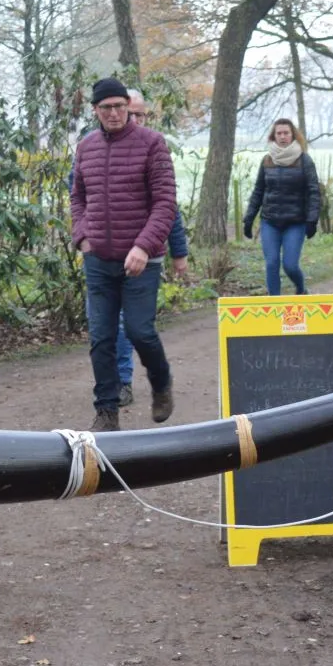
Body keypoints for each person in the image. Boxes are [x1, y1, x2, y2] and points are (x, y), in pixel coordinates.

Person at [71, 77, 177, 432]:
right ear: (95, 110)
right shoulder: (86, 147)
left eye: (119, 106)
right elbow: (78, 197)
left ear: (128, 107)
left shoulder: (152, 143)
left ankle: (161, 383)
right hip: (98, 259)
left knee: (139, 331)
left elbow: (165, 204)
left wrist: (143, 247)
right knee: (101, 337)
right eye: (106, 108)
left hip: (142, 261)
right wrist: (82, 236)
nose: (114, 113)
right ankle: (106, 411)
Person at [113, 90, 190, 409]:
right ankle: (121, 381)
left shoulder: (154, 147)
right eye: (129, 113)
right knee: (111, 324)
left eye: (139, 114)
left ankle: (134, 380)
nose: (133, 119)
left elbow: (169, 207)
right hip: (108, 253)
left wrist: (179, 253)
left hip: (146, 255)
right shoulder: (100, 147)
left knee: (134, 325)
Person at [242, 117, 321, 295]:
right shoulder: (267, 160)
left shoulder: (304, 160)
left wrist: (312, 220)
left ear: (293, 135)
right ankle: (274, 304)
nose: (283, 136)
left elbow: (313, 192)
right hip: (270, 221)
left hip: (295, 222)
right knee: (271, 263)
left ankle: (301, 289)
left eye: (286, 133)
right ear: (274, 136)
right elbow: (258, 191)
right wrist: (249, 218)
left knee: (290, 265)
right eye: (279, 133)